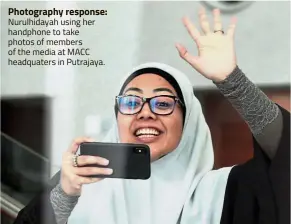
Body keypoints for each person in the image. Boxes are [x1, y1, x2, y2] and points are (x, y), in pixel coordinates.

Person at [14, 7, 289, 224]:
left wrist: (232, 81)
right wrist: (64, 193)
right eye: (131, 102)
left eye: (162, 103)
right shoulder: (80, 191)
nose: (145, 112)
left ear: (188, 120)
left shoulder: (225, 194)